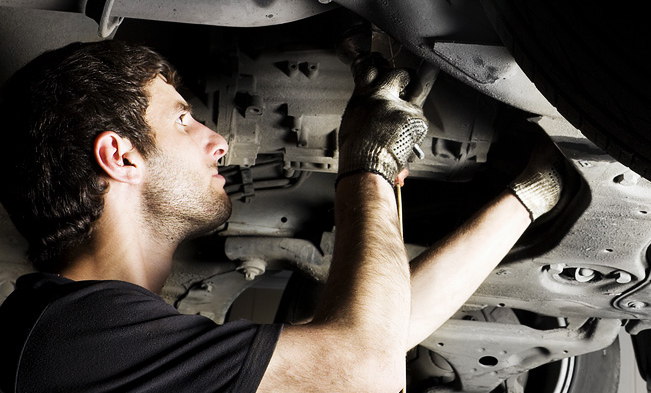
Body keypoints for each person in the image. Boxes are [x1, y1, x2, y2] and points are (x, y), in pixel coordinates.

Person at [0, 40, 563, 392]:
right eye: (183, 120)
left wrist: (530, 197)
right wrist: (367, 164)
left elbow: (381, 337)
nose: (218, 141)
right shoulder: (70, 336)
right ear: (120, 157)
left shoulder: (81, 335)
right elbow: (362, 366)